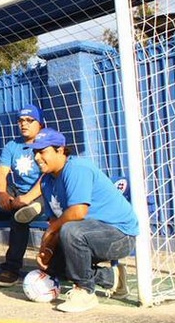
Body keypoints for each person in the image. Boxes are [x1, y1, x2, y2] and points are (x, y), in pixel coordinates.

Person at [28, 127, 139, 313]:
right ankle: (111, 277)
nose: (37, 157)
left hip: (119, 235)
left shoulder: (77, 169)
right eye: (35, 152)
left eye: (42, 151)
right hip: (87, 235)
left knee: (70, 230)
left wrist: (49, 233)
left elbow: (78, 213)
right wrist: (46, 249)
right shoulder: (46, 182)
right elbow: (54, 222)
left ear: (60, 150)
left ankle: (85, 292)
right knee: (51, 265)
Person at [0, 105, 46, 288]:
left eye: (29, 120)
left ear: (39, 124)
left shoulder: (47, 142)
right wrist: (2, 194)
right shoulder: (12, 145)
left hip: (42, 192)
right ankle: (20, 209)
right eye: (21, 121)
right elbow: (1, 173)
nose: (24, 124)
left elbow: (47, 175)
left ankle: (11, 270)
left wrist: (28, 198)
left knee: (19, 219)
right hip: (18, 194)